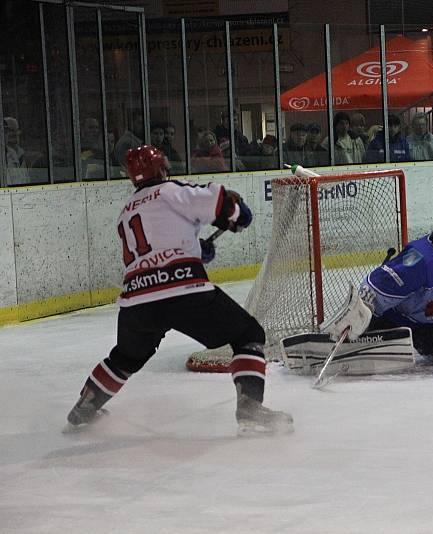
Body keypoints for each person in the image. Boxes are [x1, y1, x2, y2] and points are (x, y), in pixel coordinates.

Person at [64, 144, 293, 434]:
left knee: (125, 357)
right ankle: (249, 407)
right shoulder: (170, 191)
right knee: (248, 334)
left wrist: (196, 248)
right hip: (184, 290)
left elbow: (156, 248)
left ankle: (84, 407)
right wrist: (236, 213)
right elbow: (220, 203)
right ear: (161, 168)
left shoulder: (125, 212)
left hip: (137, 300)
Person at [322, 208, 433, 361]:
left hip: (422, 323)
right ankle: (359, 337)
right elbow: (377, 285)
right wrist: (360, 313)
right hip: (391, 320)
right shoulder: (421, 259)